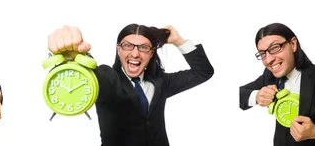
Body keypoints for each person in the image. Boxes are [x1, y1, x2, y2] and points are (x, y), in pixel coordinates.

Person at [47, 24, 214, 146]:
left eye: (143, 47)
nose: (135, 53)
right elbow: (92, 78)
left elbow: (203, 72)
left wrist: (178, 41)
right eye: (127, 46)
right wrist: (72, 57)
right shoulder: (108, 78)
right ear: (118, 49)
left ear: (151, 53)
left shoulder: (161, 82)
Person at [239, 23, 315, 145]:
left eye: (274, 48)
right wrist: (257, 96)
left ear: (293, 44)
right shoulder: (269, 76)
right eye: (263, 54)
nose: (268, 60)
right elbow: (239, 94)